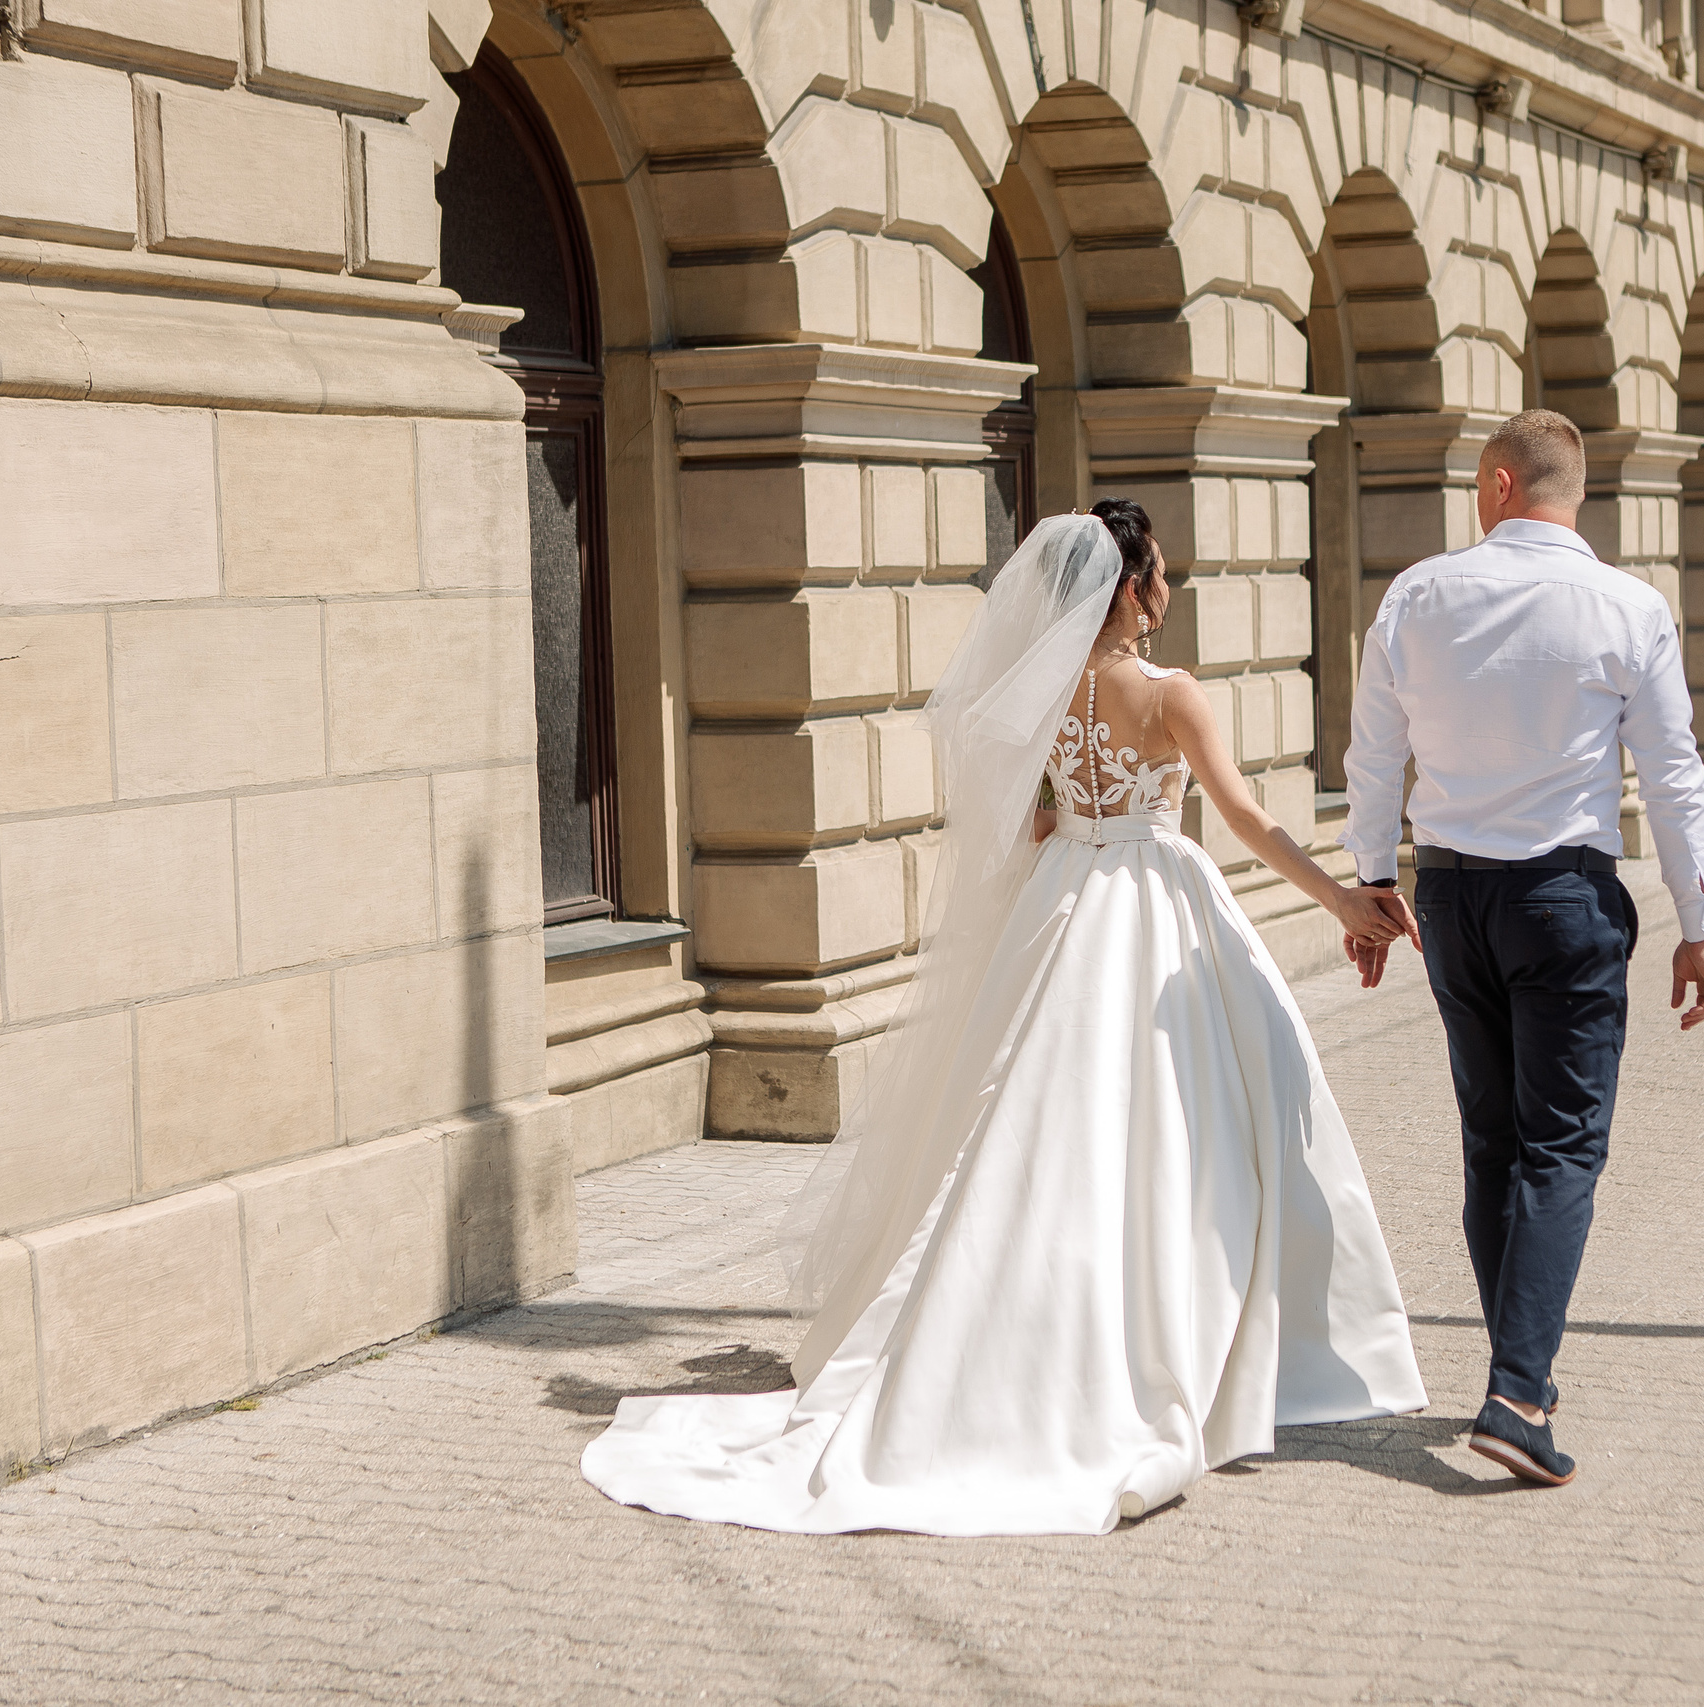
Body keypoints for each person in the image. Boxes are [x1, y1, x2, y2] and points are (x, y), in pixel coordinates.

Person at [581, 501, 1428, 1536]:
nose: (1168, 592)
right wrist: (1341, 899)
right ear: (1130, 588)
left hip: (1063, 897)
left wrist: (1074, 841)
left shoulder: (1046, 688)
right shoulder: (1170, 693)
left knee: (1032, 1119)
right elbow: (1246, 818)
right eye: (1161, 575)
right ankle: (1217, 1343)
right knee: (1188, 1121)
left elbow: (1027, 821)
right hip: (1154, 899)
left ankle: (997, 1328)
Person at [1339, 408, 1704, 1488]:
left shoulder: (1416, 595)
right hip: (1562, 898)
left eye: (1477, 483)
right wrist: (1699, 924)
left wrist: (1371, 886)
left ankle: (1526, 1380)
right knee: (1561, 1150)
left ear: (1502, 484)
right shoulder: (1629, 607)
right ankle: (1514, 1392)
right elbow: (1674, 774)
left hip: (1452, 897)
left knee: (1493, 1144)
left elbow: (1372, 756)